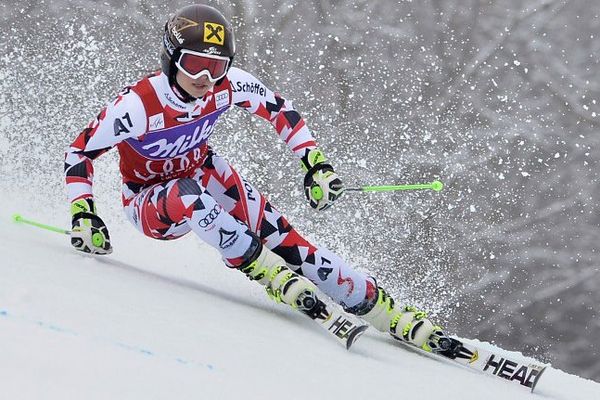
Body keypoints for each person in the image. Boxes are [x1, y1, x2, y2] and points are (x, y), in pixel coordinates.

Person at [65, 4, 445, 351]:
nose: (206, 79)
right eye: (195, 64)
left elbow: (280, 110)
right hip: (149, 201)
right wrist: (84, 213)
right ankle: (263, 270)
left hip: (203, 170)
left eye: (217, 67)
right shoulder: (138, 106)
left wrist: (315, 164)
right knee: (187, 193)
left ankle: (380, 307)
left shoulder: (227, 87)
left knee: (282, 234)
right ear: (171, 59)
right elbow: (79, 152)